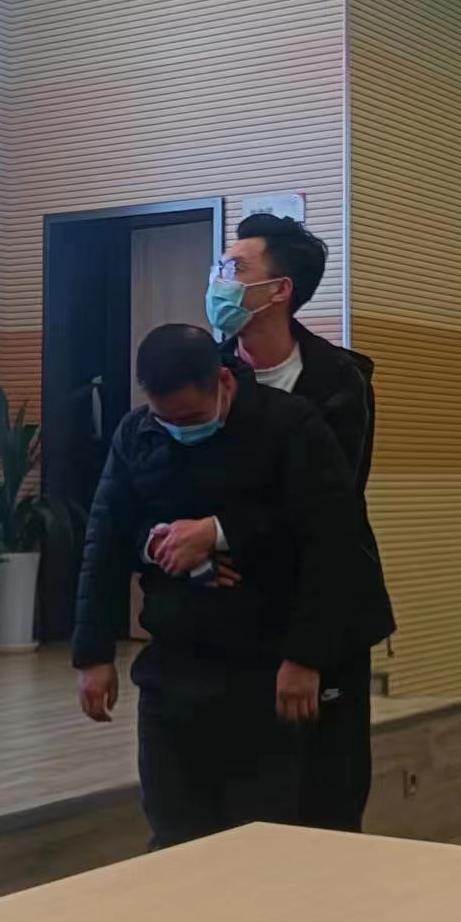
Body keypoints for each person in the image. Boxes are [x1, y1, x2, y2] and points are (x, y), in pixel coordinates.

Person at [72, 323, 367, 849]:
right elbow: (106, 538)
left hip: (264, 668)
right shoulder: (139, 433)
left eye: (189, 418)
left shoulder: (291, 425)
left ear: (224, 383)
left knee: (261, 840)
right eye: (165, 418)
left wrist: (306, 657)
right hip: (174, 667)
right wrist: (93, 655)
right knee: (173, 834)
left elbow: (330, 540)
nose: (177, 429)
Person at [169, 213, 395, 833]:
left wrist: (218, 532)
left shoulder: (340, 382)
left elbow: (328, 509)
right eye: (219, 266)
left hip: (324, 618)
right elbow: (169, 490)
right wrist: (195, 552)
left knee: (327, 799)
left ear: (279, 290)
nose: (218, 278)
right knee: (238, 804)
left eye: (235, 267)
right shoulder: (204, 374)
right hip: (231, 623)